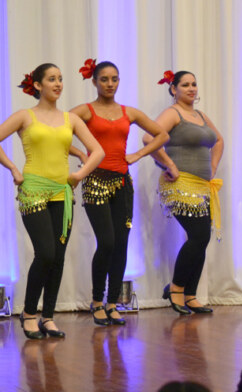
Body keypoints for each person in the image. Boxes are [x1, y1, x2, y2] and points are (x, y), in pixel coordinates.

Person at [0, 63, 104, 339]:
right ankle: (29, 313)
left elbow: (98, 151)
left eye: (60, 79)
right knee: (45, 253)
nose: (58, 83)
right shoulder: (25, 116)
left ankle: (48, 316)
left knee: (57, 258)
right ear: (37, 85)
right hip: (33, 189)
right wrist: (13, 168)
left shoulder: (70, 119)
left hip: (62, 192)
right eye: (51, 79)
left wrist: (79, 174)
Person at [70, 60, 169, 326]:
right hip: (95, 181)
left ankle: (113, 303)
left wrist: (137, 154)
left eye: (114, 79)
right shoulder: (86, 111)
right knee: (107, 242)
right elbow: (56, 129)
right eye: (104, 79)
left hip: (122, 183)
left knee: (121, 244)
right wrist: (80, 153)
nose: (110, 84)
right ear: (94, 82)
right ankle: (96, 300)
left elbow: (161, 135)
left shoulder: (129, 113)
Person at [144, 70, 224, 315]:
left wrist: (212, 167)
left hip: (201, 186)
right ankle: (176, 288)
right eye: (185, 85)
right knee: (199, 236)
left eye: (194, 84)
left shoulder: (200, 115)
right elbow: (149, 138)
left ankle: (191, 294)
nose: (191, 88)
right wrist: (168, 164)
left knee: (202, 238)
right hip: (179, 184)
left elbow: (218, 140)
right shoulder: (172, 113)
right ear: (173, 89)